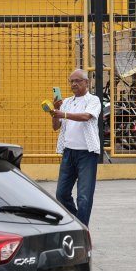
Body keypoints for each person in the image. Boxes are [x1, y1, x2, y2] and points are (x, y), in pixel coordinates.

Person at [50, 69, 102, 225]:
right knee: (61, 194)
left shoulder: (93, 100)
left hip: (87, 154)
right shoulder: (66, 102)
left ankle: (83, 231)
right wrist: (54, 113)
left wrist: (63, 114)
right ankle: (78, 223)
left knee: (84, 197)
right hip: (69, 153)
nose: (74, 84)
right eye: (71, 81)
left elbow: (86, 116)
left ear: (86, 82)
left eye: (78, 81)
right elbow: (56, 127)